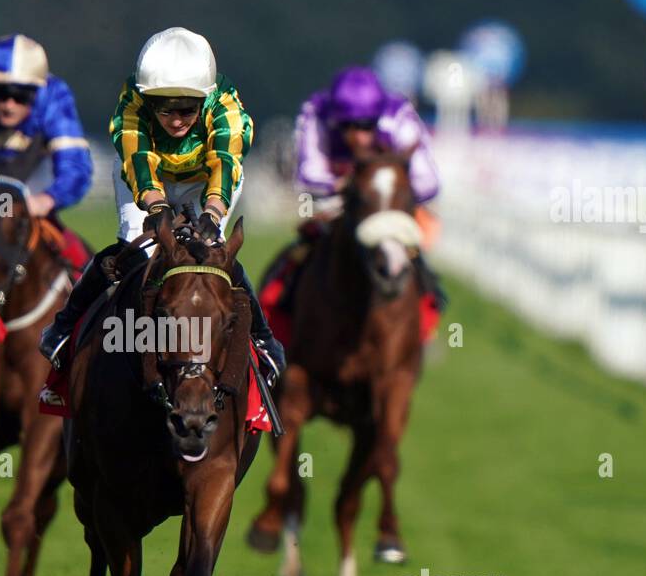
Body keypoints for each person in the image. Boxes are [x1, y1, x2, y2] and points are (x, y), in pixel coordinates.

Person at [38, 26, 284, 381]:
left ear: (206, 99)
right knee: (133, 249)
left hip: (207, 181)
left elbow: (224, 165)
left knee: (213, 253)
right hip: (146, 178)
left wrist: (213, 214)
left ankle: (263, 340)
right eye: (163, 109)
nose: (176, 119)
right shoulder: (131, 106)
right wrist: (157, 208)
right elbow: (138, 163)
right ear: (145, 99)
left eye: (186, 108)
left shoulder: (228, 110)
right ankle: (63, 326)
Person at [287, 64, 447, 313]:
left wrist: (387, 190)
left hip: (390, 206)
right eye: (349, 127)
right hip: (335, 204)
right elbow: (307, 175)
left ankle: (427, 320)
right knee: (294, 262)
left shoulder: (400, 116)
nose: (360, 136)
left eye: (367, 125)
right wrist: (345, 186)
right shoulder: (316, 111)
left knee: (422, 274)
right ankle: (277, 317)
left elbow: (429, 182)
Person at [0, 33, 93, 221]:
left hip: (34, 183)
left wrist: (47, 200)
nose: (9, 106)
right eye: (1, 93)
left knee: (66, 247)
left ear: (37, 91)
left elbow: (75, 166)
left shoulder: (54, 95)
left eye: (20, 96)